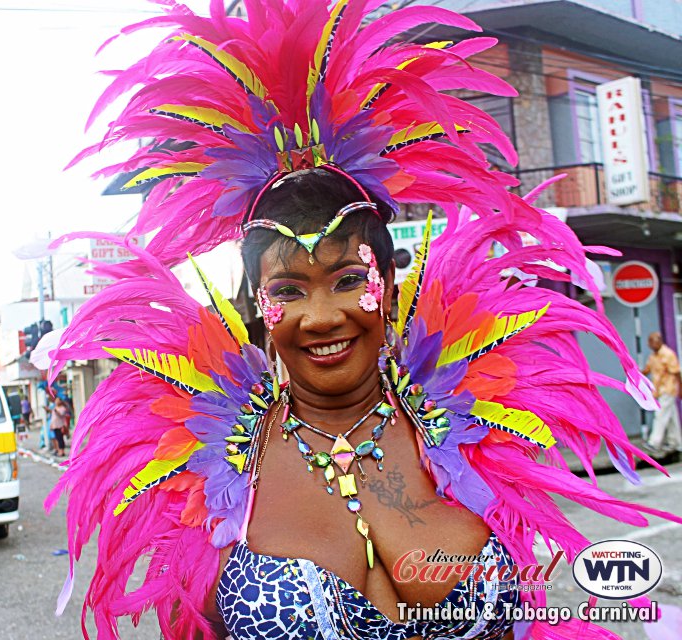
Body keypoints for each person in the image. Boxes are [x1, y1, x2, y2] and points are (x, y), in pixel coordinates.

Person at [41, 2, 682, 639]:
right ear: (257, 306)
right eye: (288, 289)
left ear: (391, 282)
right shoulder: (199, 460)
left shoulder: (482, 416)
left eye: (349, 279)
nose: (321, 317)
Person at [642, 331, 682, 454]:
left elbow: (676, 373)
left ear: (659, 341)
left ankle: (654, 442)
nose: (650, 345)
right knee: (671, 417)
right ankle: (676, 442)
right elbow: (647, 370)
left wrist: (680, 388)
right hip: (659, 390)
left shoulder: (668, 354)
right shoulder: (653, 356)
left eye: (652, 341)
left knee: (660, 415)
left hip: (668, 389)